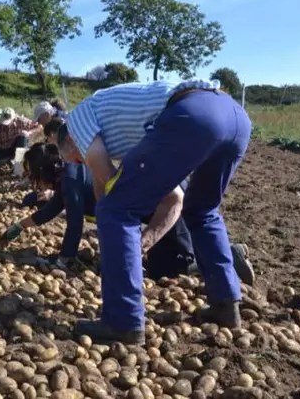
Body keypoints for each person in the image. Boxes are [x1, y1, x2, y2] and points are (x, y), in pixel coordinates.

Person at [57, 79, 252, 343]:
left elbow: (105, 179)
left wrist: (110, 227)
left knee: (116, 210)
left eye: (75, 159)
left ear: (69, 140)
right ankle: (225, 305)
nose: (79, 163)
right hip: (234, 116)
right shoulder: (129, 131)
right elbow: (166, 192)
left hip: (193, 113)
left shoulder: (76, 122)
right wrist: (132, 236)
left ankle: (122, 320)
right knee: (202, 210)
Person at [1, 143, 254, 282]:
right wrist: (19, 226)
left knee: (165, 270)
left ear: (43, 171)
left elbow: (75, 225)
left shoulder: (69, 180)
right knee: (178, 248)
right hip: (161, 203)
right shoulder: (68, 175)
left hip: (165, 208)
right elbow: (50, 211)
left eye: (34, 176)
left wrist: (63, 260)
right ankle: (227, 249)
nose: (35, 183)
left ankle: (227, 257)